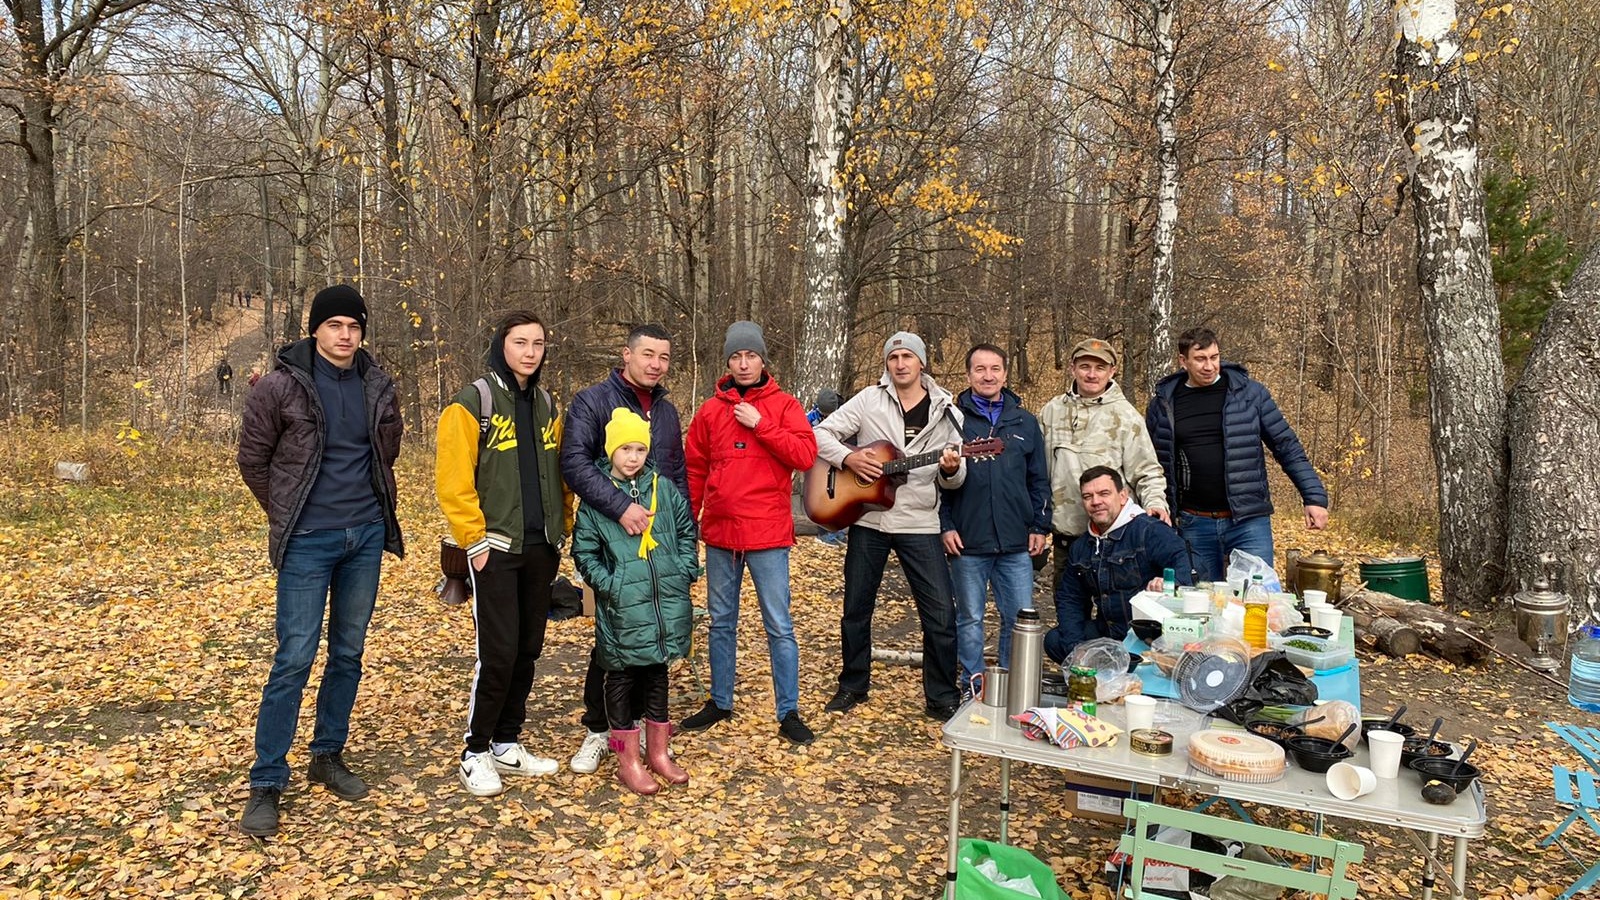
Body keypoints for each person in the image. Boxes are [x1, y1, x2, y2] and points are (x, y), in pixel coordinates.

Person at [235, 284, 405, 837]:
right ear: (316, 330)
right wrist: (289, 511)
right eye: (334, 325)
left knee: (348, 652)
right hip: (309, 538)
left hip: (364, 536)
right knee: (294, 656)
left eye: (354, 326)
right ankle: (266, 780)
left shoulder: (378, 385)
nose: (345, 335)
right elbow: (253, 459)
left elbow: (387, 451)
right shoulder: (280, 387)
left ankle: (327, 753)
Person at [436, 311, 572, 797]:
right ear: (502, 345)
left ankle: (506, 742)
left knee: (529, 649)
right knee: (497, 653)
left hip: (541, 547)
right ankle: (475, 752)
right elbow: (453, 482)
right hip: (494, 548)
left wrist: (564, 526)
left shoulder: (547, 405)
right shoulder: (473, 402)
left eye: (538, 343)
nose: (531, 352)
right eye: (520, 343)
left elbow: (558, 474)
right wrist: (474, 542)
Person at [813, 331, 966, 721]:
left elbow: (955, 477)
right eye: (894, 356)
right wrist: (849, 459)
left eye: (908, 357)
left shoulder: (948, 410)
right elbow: (818, 434)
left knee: (940, 614)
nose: (900, 363)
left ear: (922, 363)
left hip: (920, 521)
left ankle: (942, 695)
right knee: (856, 608)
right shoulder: (868, 399)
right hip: (869, 519)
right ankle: (852, 685)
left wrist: (952, 470)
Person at [558, 323, 688, 774]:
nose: (656, 364)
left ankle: (647, 739)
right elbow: (574, 464)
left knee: (652, 643)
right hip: (613, 545)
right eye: (648, 354)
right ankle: (601, 730)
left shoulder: (667, 412)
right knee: (612, 642)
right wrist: (620, 509)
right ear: (627, 354)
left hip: (659, 555)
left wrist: (683, 557)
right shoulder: (593, 402)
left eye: (664, 357)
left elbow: (675, 474)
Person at [681, 321, 819, 745]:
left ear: (762, 359)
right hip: (721, 533)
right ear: (727, 361)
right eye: (736, 357)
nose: (743, 363)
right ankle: (720, 701)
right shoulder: (709, 410)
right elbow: (694, 469)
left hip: (767, 534)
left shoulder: (783, 405)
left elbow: (805, 453)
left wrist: (761, 424)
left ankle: (789, 711)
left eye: (751, 356)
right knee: (721, 622)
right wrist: (690, 519)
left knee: (779, 625)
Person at [571, 409, 699, 795]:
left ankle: (658, 753)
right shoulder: (599, 499)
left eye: (640, 449)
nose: (633, 457)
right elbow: (584, 551)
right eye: (625, 448)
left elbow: (686, 530)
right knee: (622, 677)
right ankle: (627, 759)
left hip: (663, 603)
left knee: (658, 673)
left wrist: (684, 569)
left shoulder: (663, 488)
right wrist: (610, 585)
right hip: (623, 607)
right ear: (612, 450)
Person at [1145, 327, 1328, 582]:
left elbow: (1287, 446)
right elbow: (1150, 464)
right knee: (1199, 602)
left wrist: (1314, 497)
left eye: (1214, 357)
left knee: (1257, 601)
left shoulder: (1250, 394)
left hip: (1248, 521)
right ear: (1183, 361)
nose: (1209, 366)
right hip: (1193, 523)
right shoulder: (1164, 405)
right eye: (1200, 359)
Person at [939, 344, 1051, 697]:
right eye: (980, 369)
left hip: (1016, 541)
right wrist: (946, 525)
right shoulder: (952, 420)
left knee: (1018, 618)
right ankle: (972, 685)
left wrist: (1040, 526)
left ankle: (1008, 683)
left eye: (995, 369)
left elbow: (1039, 479)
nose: (988, 376)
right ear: (968, 374)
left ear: (1005, 373)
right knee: (970, 619)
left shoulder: (1025, 422)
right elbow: (934, 484)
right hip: (967, 540)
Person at [1038, 338, 1169, 591]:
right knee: (1069, 614)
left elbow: (1147, 471)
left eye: (1100, 368)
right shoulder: (1051, 412)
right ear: (1072, 368)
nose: (1091, 374)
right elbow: (1036, 473)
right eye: (1085, 366)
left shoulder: (1125, 416)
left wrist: (1155, 503)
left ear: (1112, 371)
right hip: (1067, 538)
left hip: (1117, 541)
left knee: (1117, 615)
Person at [1044, 466, 1190, 663]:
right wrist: (1075, 648)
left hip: (1150, 637)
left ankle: (1120, 671)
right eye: (1088, 496)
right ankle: (1104, 675)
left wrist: (1170, 581)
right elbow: (1070, 600)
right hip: (1108, 633)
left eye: (1104, 494)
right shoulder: (1081, 547)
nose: (1096, 502)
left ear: (1123, 496)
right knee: (1055, 639)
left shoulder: (1148, 530)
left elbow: (1186, 561)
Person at [806, 388, 849, 548]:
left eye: (830, 413)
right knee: (822, 496)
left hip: (839, 460)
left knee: (838, 496)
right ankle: (824, 533)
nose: (827, 417)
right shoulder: (811, 417)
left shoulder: (845, 411)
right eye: (824, 414)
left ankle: (836, 530)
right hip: (818, 464)